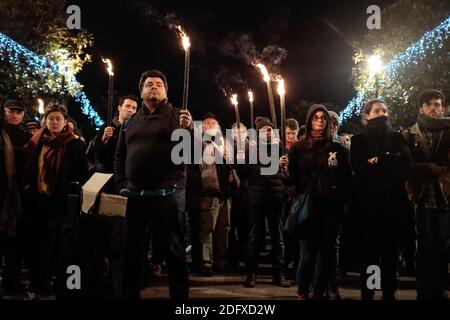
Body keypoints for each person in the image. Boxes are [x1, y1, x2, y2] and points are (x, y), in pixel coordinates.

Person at [114, 69, 192, 300]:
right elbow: (120, 155)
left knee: (175, 252)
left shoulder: (179, 116)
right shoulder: (131, 122)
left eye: (159, 84)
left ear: (166, 91)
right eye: (149, 84)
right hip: (135, 195)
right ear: (142, 92)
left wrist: (187, 130)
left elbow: (191, 155)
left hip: (168, 195)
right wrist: (121, 185)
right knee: (132, 252)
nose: (154, 87)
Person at [280, 104, 352, 300]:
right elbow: (292, 181)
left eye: (323, 118)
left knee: (327, 252)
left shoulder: (339, 149)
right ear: (309, 120)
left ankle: (319, 291)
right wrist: (285, 172)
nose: (319, 121)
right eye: (315, 117)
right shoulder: (299, 148)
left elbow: (347, 179)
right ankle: (303, 291)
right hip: (308, 209)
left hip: (332, 210)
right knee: (308, 253)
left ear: (328, 122)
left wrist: (340, 200)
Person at [23, 103, 88, 299]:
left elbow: (82, 173)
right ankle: (40, 284)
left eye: (58, 119)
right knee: (40, 245)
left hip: (62, 204)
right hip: (39, 201)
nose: (54, 122)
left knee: (62, 247)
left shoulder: (74, 143)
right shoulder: (37, 141)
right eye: (51, 119)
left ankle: (62, 285)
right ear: (45, 121)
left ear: (66, 121)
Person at [351, 99, 411, 300]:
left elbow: (405, 162)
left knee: (390, 254)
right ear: (367, 115)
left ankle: (388, 293)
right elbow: (359, 169)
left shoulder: (396, 138)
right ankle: (369, 292)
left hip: (392, 206)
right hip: (368, 207)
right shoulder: (358, 141)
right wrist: (389, 162)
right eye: (376, 111)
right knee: (369, 254)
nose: (381, 113)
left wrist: (380, 160)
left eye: (384, 110)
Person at [402, 90, 450, 300]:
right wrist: (428, 168)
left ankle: (437, 290)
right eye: (429, 104)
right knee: (424, 246)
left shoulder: (448, 131)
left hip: (445, 197)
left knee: (442, 247)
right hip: (421, 199)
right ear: (421, 108)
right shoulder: (409, 135)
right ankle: (423, 290)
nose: (434, 108)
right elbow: (405, 168)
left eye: (438, 104)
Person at [240, 117, 289, 288]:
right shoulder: (251, 149)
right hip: (257, 200)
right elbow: (244, 173)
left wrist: (284, 165)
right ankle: (251, 274)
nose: (267, 132)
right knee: (254, 238)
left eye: (270, 130)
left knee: (278, 239)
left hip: (276, 199)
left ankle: (279, 274)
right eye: (263, 130)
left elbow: (287, 176)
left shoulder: (280, 148)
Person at [187, 113, 237, 275]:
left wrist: (228, 159)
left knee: (224, 228)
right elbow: (193, 169)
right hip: (207, 192)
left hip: (225, 193)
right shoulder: (198, 145)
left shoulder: (224, 145)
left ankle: (220, 260)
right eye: (208, 123)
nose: (212, 125)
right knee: (207, 229)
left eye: (215, 123)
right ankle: (205, 262)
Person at [0, 105, 22, 296]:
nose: (14, 115)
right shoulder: (3, 135)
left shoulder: (25, 137)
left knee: (13, 244)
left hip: (15, 198)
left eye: (18, 112)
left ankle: (11, 281)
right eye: (10, 111)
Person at [86, 95, 138, 175]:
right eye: (127, 106)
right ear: (119, 108)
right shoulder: (107, 127)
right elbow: (98, 156)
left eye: (134, 108)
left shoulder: (136, 130)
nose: (130, 110)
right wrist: (104, 140)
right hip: (108, 175)